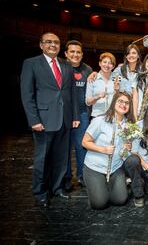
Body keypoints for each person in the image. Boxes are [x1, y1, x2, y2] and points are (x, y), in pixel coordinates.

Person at [20, 32, 80, 207]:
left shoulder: (66, 65)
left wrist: (75, 116)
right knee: (42, 158)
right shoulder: (31, 64)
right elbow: (27, 94)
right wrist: (34, 120)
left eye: (56, 42)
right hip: (43, 120)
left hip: (65, 119)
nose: (53, 45)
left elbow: (72, 93)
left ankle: (57, 188)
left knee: (61, 158)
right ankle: (40, 192)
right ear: (41, 45)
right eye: (48, 42)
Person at [81, 91, 135, 210]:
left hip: (115, 168)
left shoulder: (128, 126)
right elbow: (85, 142)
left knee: (120, 200)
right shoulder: (100, 120)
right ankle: (97, 189)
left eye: (127, 103)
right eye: (120, 101)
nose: (123, 104)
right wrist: (103, 149)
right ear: (114, 102)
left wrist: (127, 149)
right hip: (94, 167)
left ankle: (109, 187)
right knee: (100, 204)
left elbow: (123, 153)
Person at [63, 40, 93, 191]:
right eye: (72, 52)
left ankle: (82, 176)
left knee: (82, 147)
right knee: (65, 149)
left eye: (78, 52)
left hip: (82, 114)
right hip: (63, 114)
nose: (75, 54)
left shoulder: (88, 70)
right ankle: (67, 178)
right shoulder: (61, 68)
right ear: (66, 54)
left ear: (82, 54)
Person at [85, 52, 117, 118]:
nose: (107, 65)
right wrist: (98, 97)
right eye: (104, 62)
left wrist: (117, 91)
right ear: (100, 63)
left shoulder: (117, 78)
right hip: (97, 116)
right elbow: (88, 102)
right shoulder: (92, 78)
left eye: (110, 63)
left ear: (113, 66)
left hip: (113, 116)